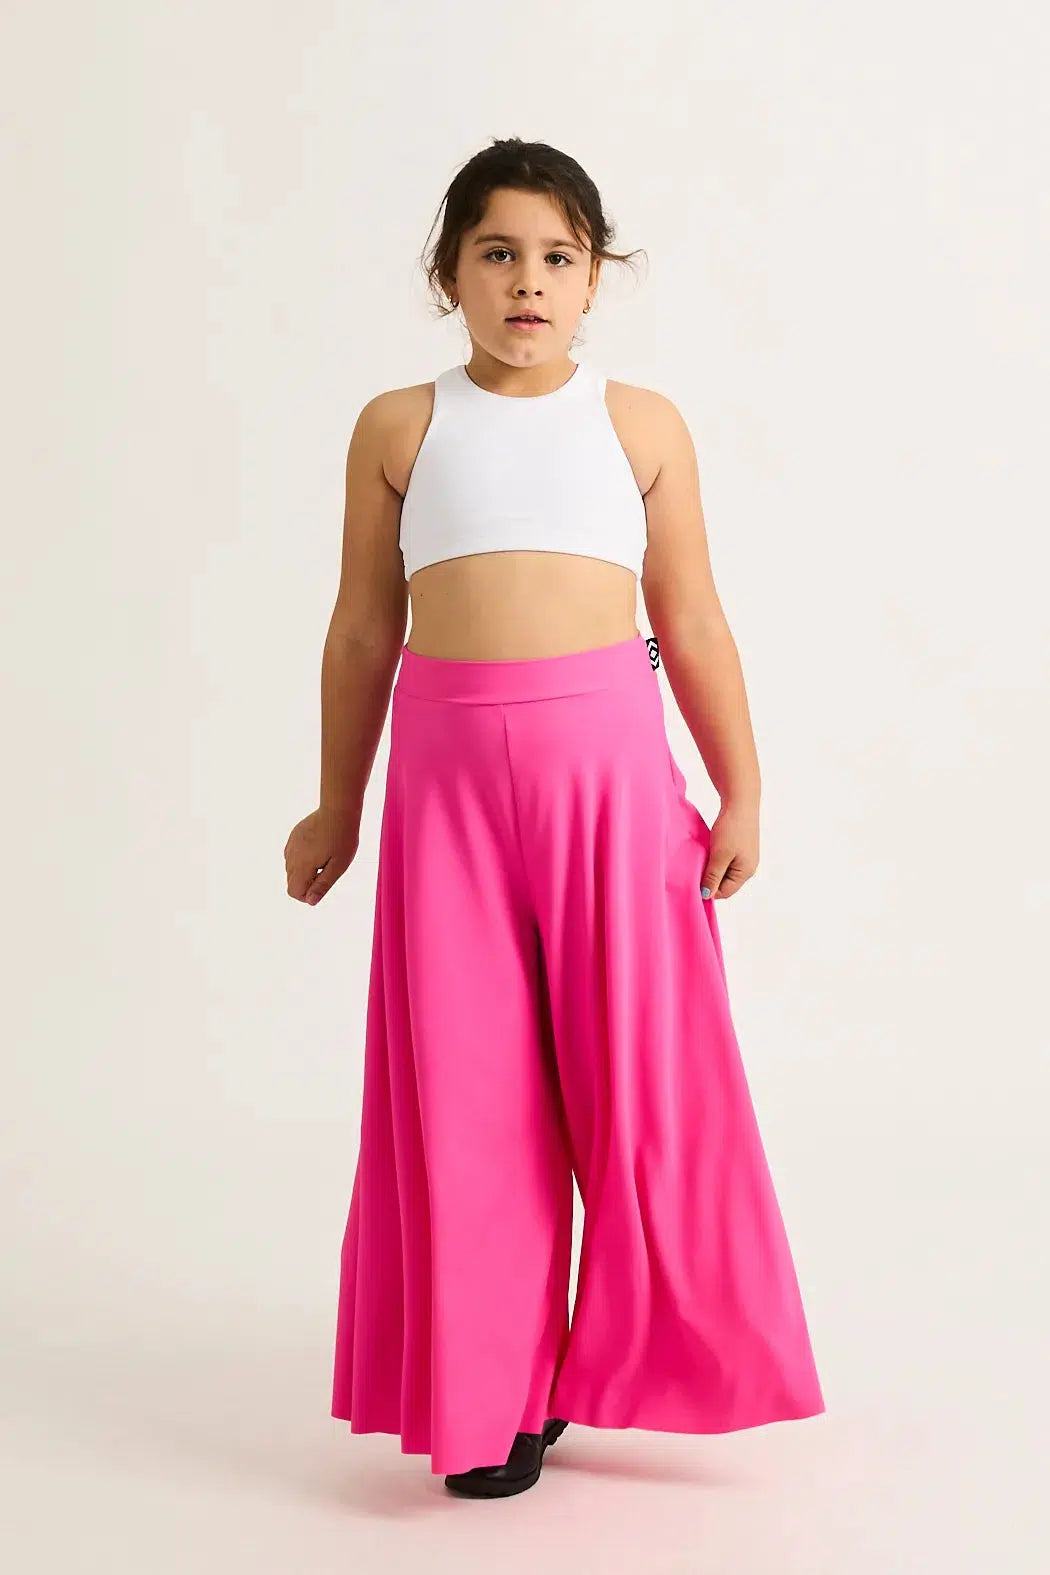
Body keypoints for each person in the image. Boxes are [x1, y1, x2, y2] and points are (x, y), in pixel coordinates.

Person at [284, 136, 825, 1499]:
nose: (527, 281)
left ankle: (651, 1359)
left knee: (639, 1082)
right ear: (449, 275)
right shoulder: (400, 427)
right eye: (498, 253)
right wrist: (338, 802)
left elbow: (689, 619)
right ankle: (493, 1398)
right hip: (447, 795)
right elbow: (363, 629)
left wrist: (742, 785)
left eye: (557, 257)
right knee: (470, 1094)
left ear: (593, 279)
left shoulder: (638, 425)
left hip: (610, 782)